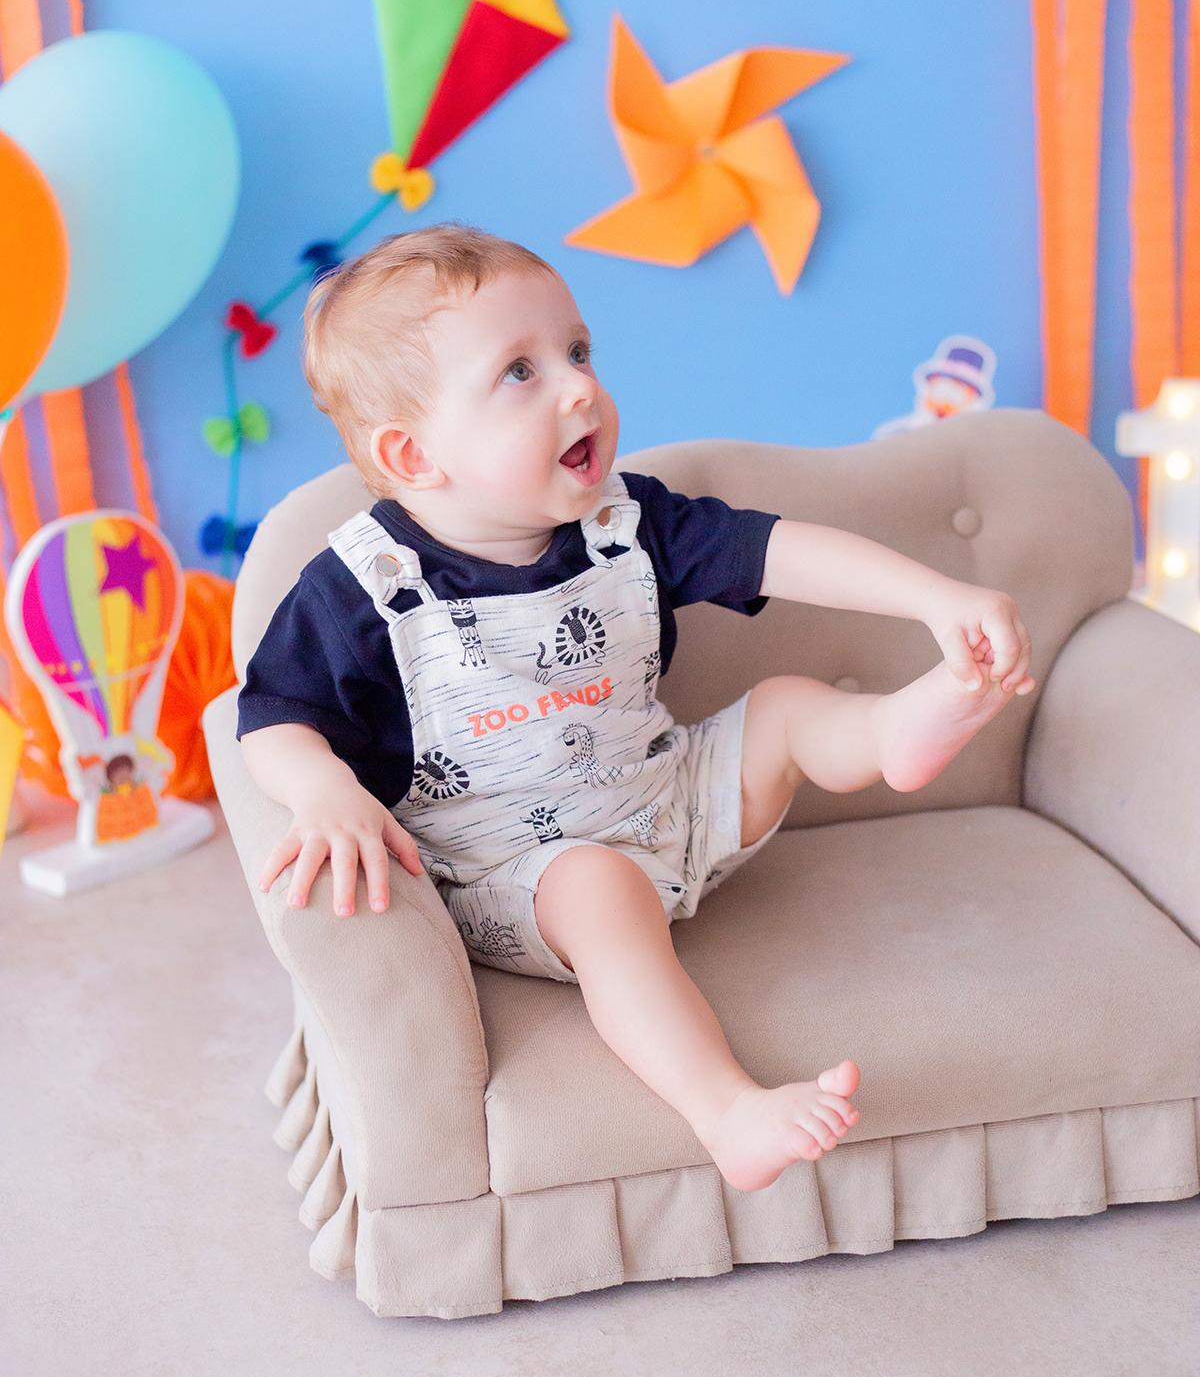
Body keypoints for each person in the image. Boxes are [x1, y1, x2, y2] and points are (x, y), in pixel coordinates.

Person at [238, 226, 1035, 1193]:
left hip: (666, 797)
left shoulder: (628, 520)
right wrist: (324, 791)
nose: (580, 387)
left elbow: (778, 550)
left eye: (577, 352)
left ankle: (893, 731)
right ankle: (727, 1109)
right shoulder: (363, 587)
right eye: (520, 373)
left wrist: (934, 599)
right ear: (414, 454)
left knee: (782, 709)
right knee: (596, 890)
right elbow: (274, 712)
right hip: (513, 870)